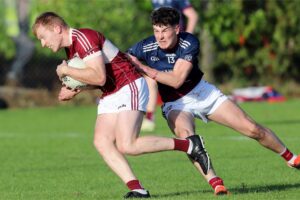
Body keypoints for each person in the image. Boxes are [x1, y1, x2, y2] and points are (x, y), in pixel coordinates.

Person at [32, 11, 211, 199]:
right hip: (112, 92)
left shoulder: (83, 37)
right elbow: (100, 80)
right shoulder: (71, 48)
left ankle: (189, 145)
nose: (43, 43)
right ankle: (138, 190)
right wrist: (76, 90)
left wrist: (67, 70)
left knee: (127, 145)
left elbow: (99, 76)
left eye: (43, 37)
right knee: (101, 141)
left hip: (129, 85)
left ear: (56, 28)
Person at [128, 6, 300, 195]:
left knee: (252, 129)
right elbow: (123, 60)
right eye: (156, 30)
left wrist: (144, 69)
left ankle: (291, 158)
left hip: (203, 93)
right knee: (188, 138)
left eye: (165, 30)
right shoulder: (145, 46)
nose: (160, 36)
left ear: (177, 29)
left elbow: (177, 80)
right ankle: (216, 183)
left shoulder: (189, 42)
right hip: (175, 103)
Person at [141, 0, 199, 132]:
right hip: (163, 47)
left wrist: (186, 39)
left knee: (180, 81)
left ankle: (189, 113)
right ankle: (150, 118)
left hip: (177, 48)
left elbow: (192, 15)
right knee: (150, 79)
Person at [4, 0, 34, 86]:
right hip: (13, 30)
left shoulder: (29, 2)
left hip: (24, 28)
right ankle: (13, 73)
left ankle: (17, 80)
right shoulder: (10, 2)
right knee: (29, 46)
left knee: (21, 52)